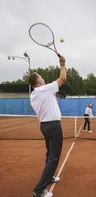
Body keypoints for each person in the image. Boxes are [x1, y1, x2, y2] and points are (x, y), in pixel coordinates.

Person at [28, 56, 66, 197]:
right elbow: (62, 79)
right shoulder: (43, 89)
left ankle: (49, 178)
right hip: (53, 126)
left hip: (44, 126)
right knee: (54, 157)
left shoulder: (33, 95)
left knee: (50, 154)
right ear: (38, 82)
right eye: (41, 77)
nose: (43, 78)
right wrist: (62, 64)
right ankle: (39, 190)